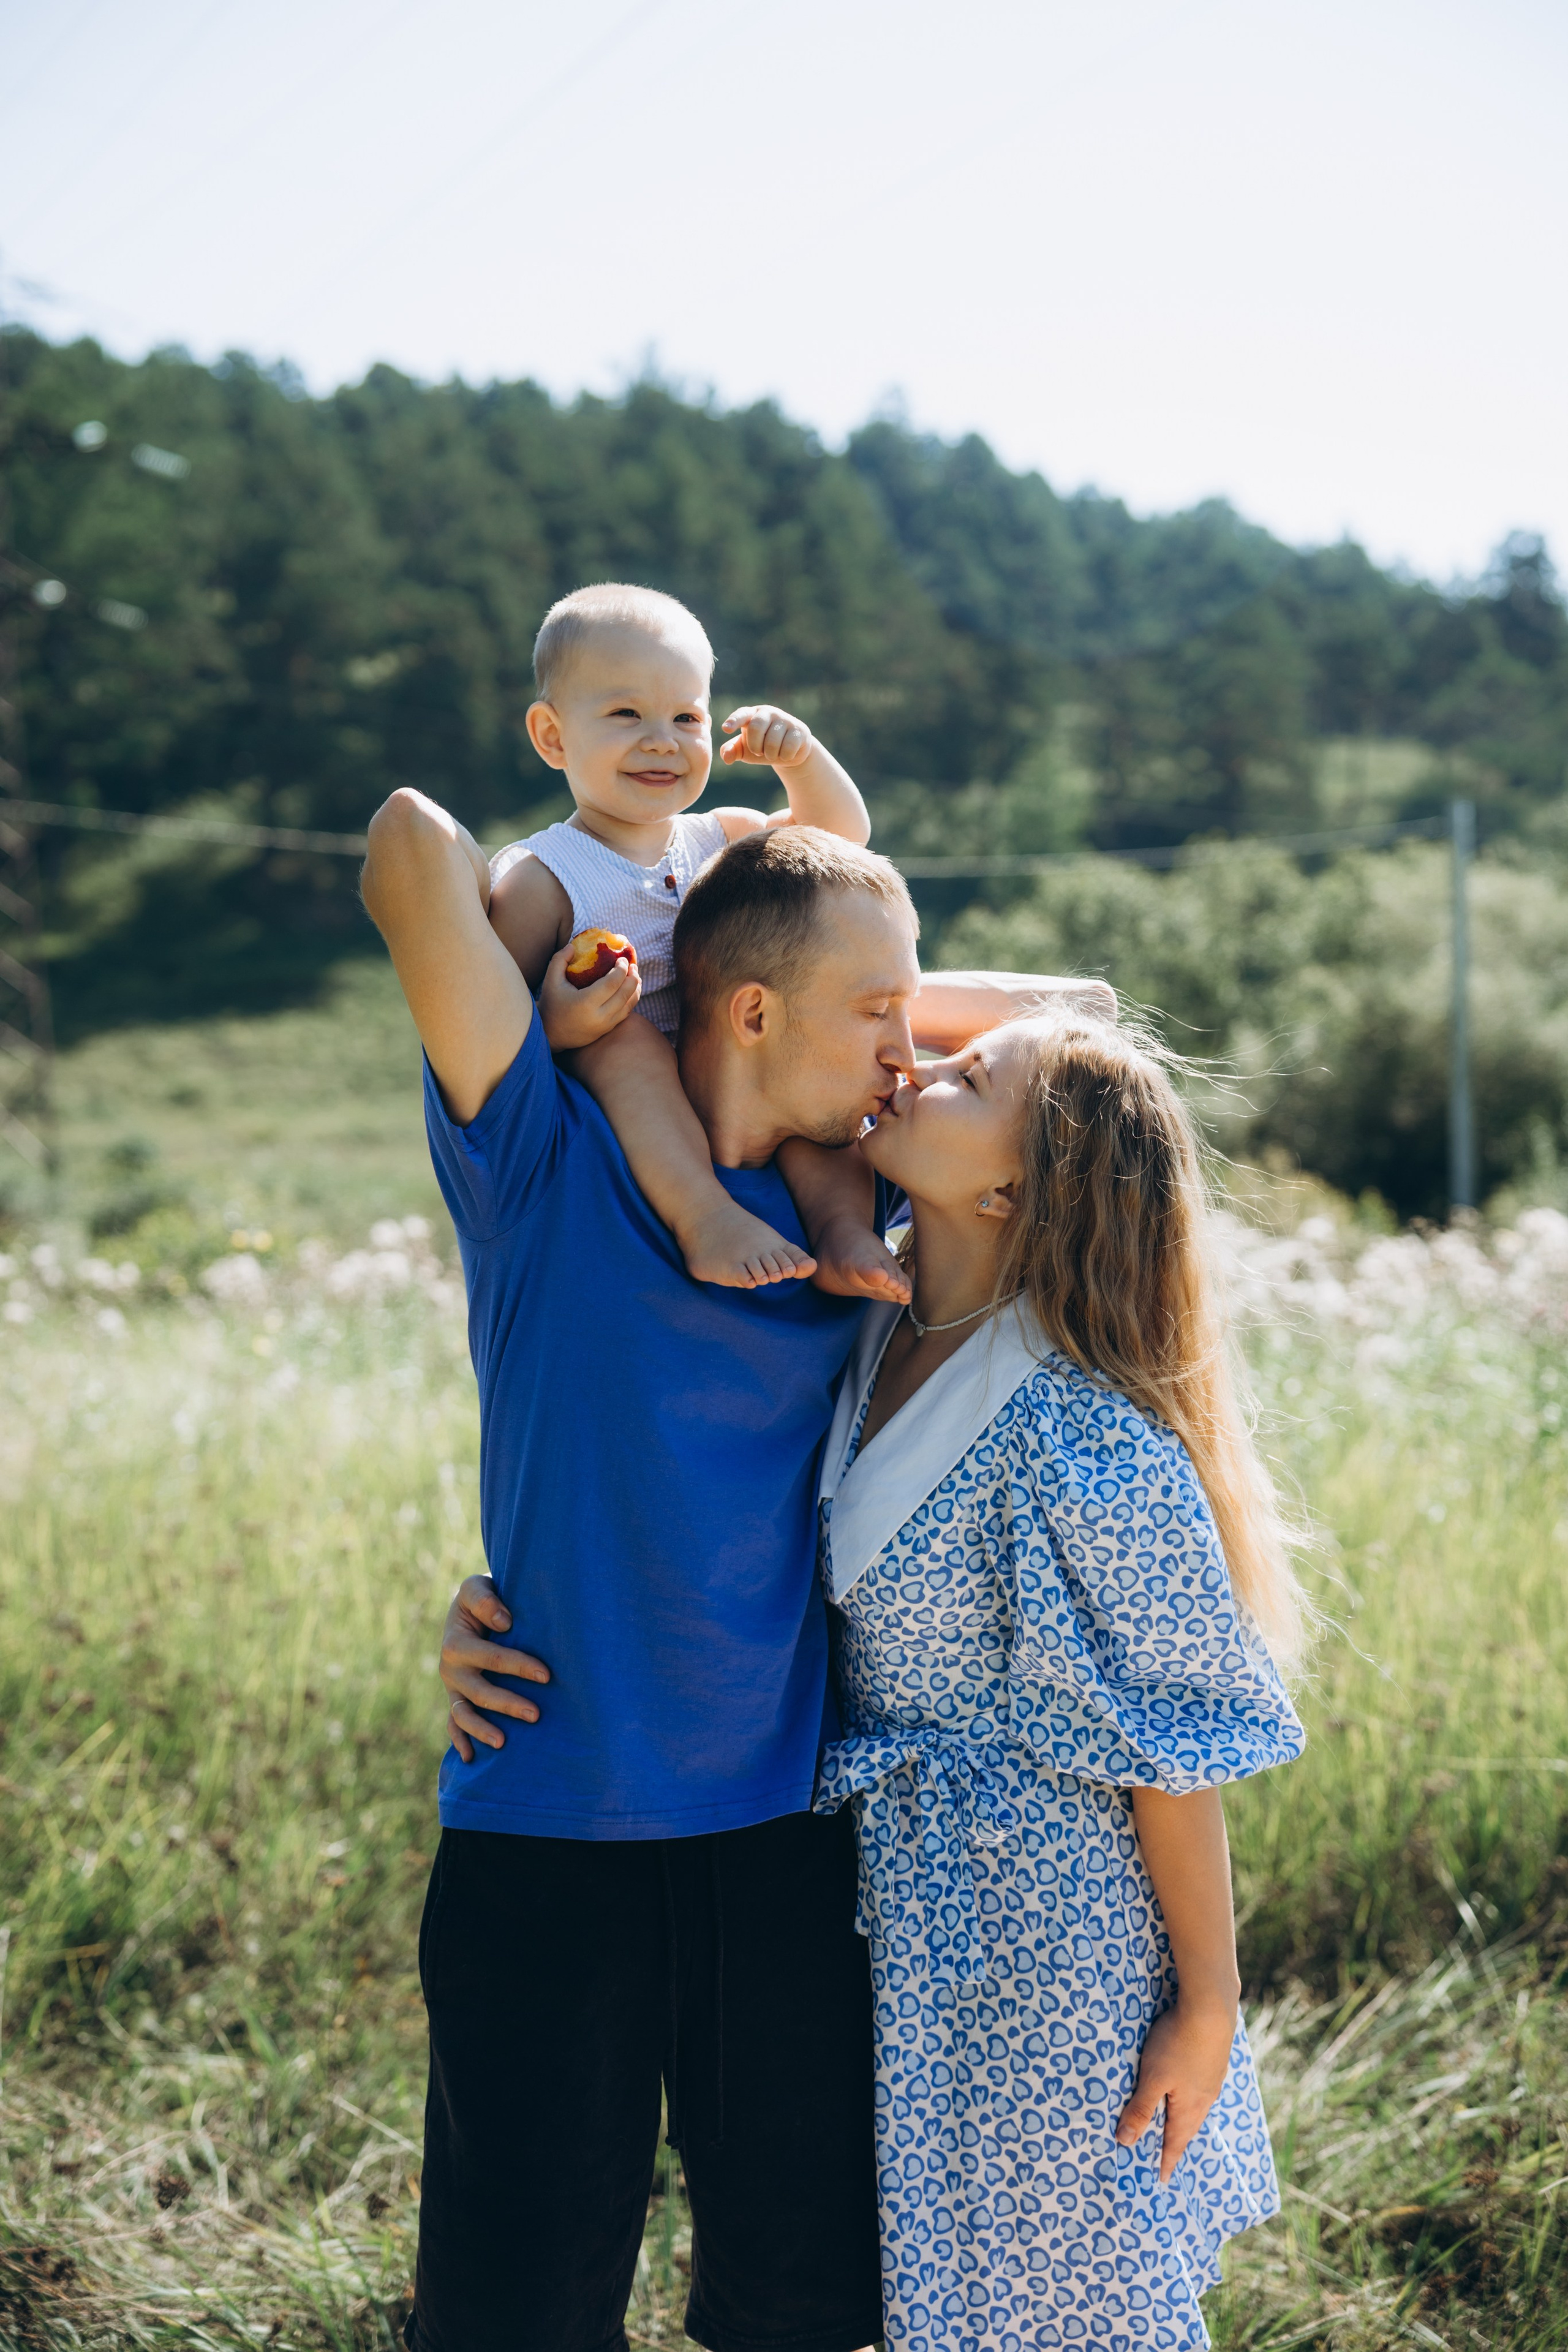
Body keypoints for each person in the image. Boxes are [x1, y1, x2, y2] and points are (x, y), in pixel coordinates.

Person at [360, 790, 1107, 2352]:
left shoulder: (862, 1205)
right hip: (551, 1820)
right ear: (751, 1007)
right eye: (882, 1012)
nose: (911, 1049)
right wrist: (635, 867)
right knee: (512, 2316)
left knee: (799, 2311)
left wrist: (775, 941)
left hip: (792, 1836)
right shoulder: (542, 1146)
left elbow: (1078, 1017)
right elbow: (408, 845)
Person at [810, 1012, 1308, 2351]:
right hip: (901, 1912)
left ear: (1009, 1187)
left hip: (1044, 1940)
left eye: (964, 1079)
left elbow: (1168, 1744)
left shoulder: (1075, 1422)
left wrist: (1206, 2005)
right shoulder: (870, 1324)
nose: (911, 1064)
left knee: (1059, 2309)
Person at [487, 579, 887, 1293]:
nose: (661, 741)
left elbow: (839, 839)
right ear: (553, 735)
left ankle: (844, 1233)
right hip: (634, 1107)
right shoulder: (542, 880)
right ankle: (705, 1217)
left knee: (812, 1088)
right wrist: (559, 1021)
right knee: (624, 1042)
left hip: (739, 1077)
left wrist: (800, 759)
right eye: (625, 713)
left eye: (686, 718)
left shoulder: (723, 836)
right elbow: (492, 1037)